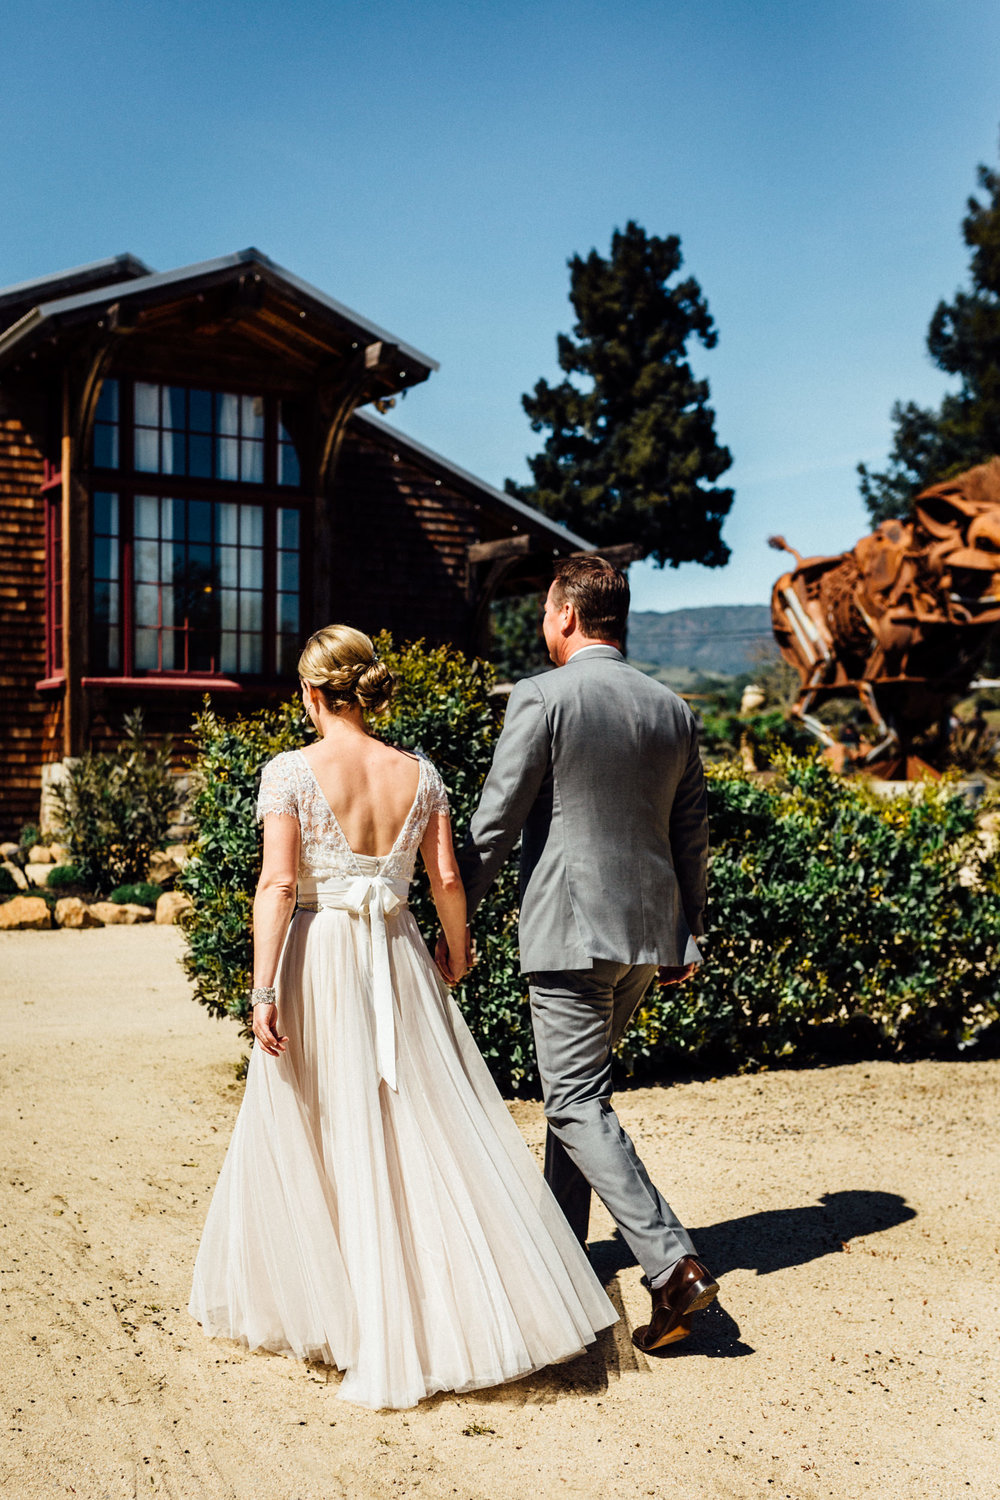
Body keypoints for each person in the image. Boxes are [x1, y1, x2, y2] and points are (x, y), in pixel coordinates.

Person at [189, 625, 615, 1410]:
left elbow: (278, 887)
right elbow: (447, 875)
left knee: (321, 1122)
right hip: (395, 954)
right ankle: (451, 1304)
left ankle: (345, 1310)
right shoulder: (420, 775)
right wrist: (457, 951)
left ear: (313, 694)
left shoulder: (288, 772)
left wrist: (261, 989)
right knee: (417, 1122)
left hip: (318, 958)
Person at [450, 557, 719, 1352]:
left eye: (543, 611)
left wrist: (447, 916)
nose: (542, 624)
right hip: (647, 938)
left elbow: (495, 823)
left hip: (570, 932)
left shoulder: (541, 696)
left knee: (572, 1101)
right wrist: (687, 930)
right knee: (582, 1096)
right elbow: (691, 833)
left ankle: (672, 1268)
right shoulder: (672, 708)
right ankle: (557, 1244)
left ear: (565, 615)